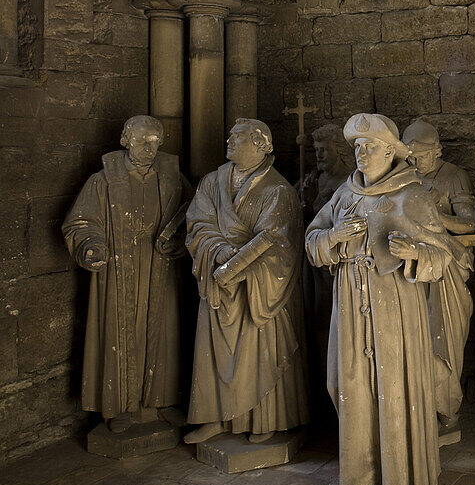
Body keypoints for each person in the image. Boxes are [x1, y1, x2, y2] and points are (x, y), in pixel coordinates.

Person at [306, 113, 470, 485]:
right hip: (350, 312)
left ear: (390, 151)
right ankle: (360, 478)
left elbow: (444, 254)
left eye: (370, 147)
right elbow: (312, 240)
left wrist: (416, 253)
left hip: (395, 312)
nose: (361, 154)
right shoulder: (344, 195)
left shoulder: (410, 195)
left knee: (393, 390)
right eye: (357, 148)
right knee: (350, 385)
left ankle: (398, 482)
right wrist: (333, 237)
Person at [184, 118, 309, 445]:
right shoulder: (212, 182)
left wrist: (241, 267)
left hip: (258, 288)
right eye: (230, 135)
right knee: (214, 353)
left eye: (237, 137)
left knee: (259, 349)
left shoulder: (278, 191)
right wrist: (220, 250)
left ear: (262, 145)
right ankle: (216, 418)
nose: (229, 141)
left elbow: (282, 245)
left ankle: (264, 417)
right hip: (218, 280)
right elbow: (198, 223)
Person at [62, 115, 189, 433]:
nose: (149, 147)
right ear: (124, 140)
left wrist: (182, 242)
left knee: (165, 333)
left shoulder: (172, 177)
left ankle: (163, 400)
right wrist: (92, 244)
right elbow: (79, 221)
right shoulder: (103, 181)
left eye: (155, 141)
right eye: (142, 140)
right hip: (119, 271)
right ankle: (118, 406)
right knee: (120, 333)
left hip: (160, 269)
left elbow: (195, 214)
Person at [402, 119, 475, 434]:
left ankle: (445, 405)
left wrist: (433, 217)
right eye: (410, 156)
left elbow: (468, 224)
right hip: (410, 270)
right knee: (413, 340)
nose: (415, 162)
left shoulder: (453, 177)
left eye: (420, 155)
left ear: (437, 150)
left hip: (447, 271)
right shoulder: (402, 179)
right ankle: (417, 407)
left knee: (444, 338)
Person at [298, 123, 355, 420]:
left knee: (331, 329)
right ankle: (319, 394)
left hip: (333, 271)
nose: (318, 155)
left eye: (324, 150)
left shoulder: (348, 184)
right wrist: (304, 200)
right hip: (311, 265)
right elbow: (299, 222)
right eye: (315, 150)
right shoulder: (311, 180)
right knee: (313, 326)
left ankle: (335, 399)